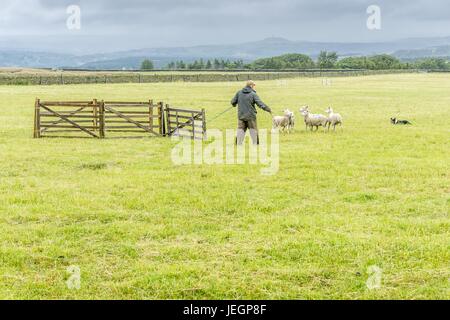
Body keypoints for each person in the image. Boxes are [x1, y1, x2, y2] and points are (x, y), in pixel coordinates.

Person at [231, 80, 272, 145]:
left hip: (241, 116)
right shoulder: (253, 94)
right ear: (251, 86)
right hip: (251, 117)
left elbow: (233, 102)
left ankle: (238, 144)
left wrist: (234, 104)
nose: (254, 87)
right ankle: (256, 145)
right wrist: (268, 109)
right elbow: (260, 103)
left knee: (240, 131)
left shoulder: (239, 93)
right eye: (253, 86)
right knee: (253, 132)